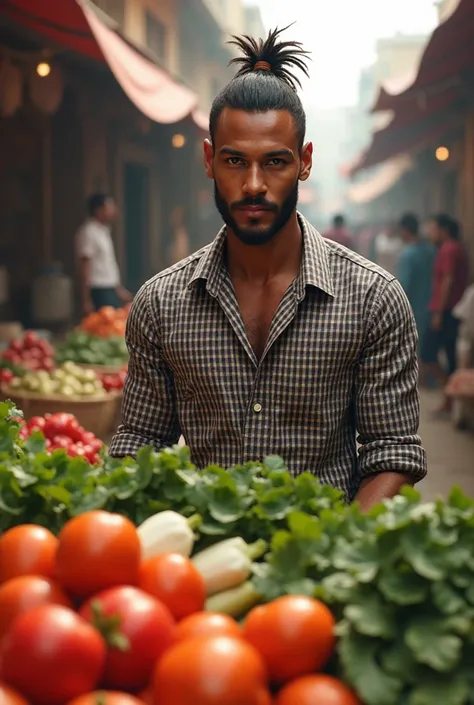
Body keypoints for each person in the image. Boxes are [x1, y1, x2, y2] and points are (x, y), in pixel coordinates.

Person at [110, 27, 426, 510]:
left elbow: (393, 452)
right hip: (202, 567)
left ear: (304, 162)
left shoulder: (373, 298)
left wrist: (331, 551)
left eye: (274, 162)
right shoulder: (160, 304)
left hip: (325, 564)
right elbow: (139, 442)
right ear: (210, 160)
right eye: (235, 160)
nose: (254, 185)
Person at [421, 214, 470, 413]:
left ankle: (450, 395)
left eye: (433, 229)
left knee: (428, 353)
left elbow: (448, 281)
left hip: (447, 310)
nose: (430, 234)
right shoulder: (455, 248)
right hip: (454, 310)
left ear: (444, 230)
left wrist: (438, 313)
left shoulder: (449, 249)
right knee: (448, 355)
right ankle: (449, 399)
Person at [76, 193, 131, 315]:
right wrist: (86, 299)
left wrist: (118, 289)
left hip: (109, 288)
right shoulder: (88, 232)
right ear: (98, 210)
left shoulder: (104, 231)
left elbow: (107, 264)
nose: (113, 210)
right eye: (109, 206)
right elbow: (85, 265)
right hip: (98, 289)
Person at [397, 213, 436, 344]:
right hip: (432, 308)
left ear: (405, 230)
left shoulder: (408, 255)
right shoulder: (431, 250)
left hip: (414, 309)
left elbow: (404, 285)